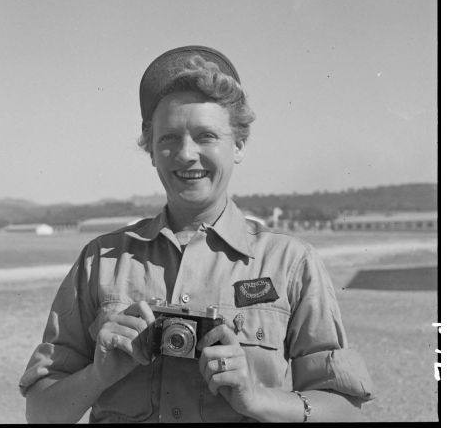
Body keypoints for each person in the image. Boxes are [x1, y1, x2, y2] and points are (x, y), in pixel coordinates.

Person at [19, 45, 375, 423]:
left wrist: (254, 398)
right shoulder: (101, 261)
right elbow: (41, 413)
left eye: (205, 136)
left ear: (238, 145)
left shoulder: (290, 263)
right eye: (169, 138)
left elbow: (345, 411)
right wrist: (99, 374)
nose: (186, 154)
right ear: (151, 151)